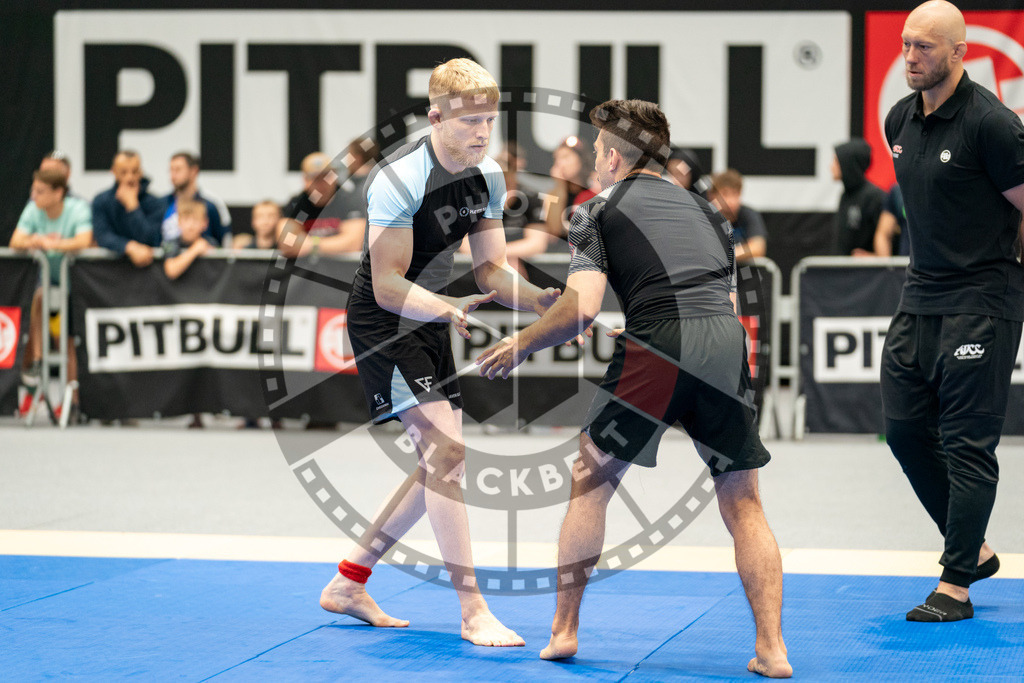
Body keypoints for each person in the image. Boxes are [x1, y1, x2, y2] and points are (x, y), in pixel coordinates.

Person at [476, 99, 791, 677]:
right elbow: (716, 300)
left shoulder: (592, 212)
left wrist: (522, 343)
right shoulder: (709, 211)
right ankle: (772, 650)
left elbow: (580, 309)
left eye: (597, 150)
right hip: (724, 341)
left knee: (590, 478)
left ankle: (563, 632)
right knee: (743, 498)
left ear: (616, 156)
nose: (595, 160)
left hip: (658, 347)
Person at [316, 58, 562, 647]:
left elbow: (491, 270)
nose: (482, 133)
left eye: (490, 120)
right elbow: (386, 285)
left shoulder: (489, 177)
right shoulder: (399, 180)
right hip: (385, 321)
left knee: (437, 464)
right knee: (448, 458)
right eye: (469, 121)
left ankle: (349, 581)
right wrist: (445, 307)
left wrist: (538, 301)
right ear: (435, 118)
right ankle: (474, 610)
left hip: (429, 318)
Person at [881, 0, 1024, 623]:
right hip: (919, 298)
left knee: (968, 445)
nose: (911, 57)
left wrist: (1002, 278)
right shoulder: (898, 120)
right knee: (906, 432)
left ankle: (956, 584)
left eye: (926, 47)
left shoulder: (992, 124)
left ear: (959, 53)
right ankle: (976, 548)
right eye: (907, 44)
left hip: (982, 302)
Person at [9, 168, 93, 418]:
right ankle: (35, 363)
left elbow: (84, 241)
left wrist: (51, 244)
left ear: (59, 193)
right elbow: (16, 241)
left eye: (40, 191)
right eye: (33, 190)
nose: (33, 195)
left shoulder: (77, 209)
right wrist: (33, 241)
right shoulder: (33, 208)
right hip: (44, 285)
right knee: (37, 299)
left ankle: (74, 403)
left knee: (67, 342)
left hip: (75, 286)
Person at [459, 143, 551, 273]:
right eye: (497, 184)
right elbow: (466, 246)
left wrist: (503, 257)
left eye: (507, 184)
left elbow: (537, 244)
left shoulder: (531, 198)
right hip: (482, 267)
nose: (504, 192)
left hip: (521, 267)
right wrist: (499, 259)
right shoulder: (477, 200)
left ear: (515, 177)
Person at [277, 150, 367, 258]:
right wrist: (334, 244)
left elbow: (353, 243)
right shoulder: (297, 203)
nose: (321, 184)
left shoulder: (349, 200)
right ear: (305, 181)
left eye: (326, 177)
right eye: (315, 178)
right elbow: (286, 241)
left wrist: (312, 245)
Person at [92, 151, 163, 267]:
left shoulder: (155, 203)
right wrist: (128, 246)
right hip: (110, 271)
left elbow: (151, 239)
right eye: (123, 172)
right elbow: (102, 235)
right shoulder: (101, 201)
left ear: (141, 172)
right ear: (114, 171)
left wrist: (133, 207)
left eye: (134, 172)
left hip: (147, 272)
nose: (130, 177)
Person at [831, 139, 885, 256]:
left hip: (868, 273)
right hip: (844, 271)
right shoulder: (845, 196)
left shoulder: (875, 197)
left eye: (836, 161)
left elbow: (889, 239)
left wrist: (874, 258)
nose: (831, 167)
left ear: (848, 163)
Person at [160, 152, 227, 246]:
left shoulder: (210, 207)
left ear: (194, 171)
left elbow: (221, 241)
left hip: (204, 259)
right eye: (171, 170)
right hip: (169, 256)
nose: (173, 175)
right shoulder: (161, 204)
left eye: (178, 170)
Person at [544, 136, 598, 248]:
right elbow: (554, 233)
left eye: (565, 157)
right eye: (556, 159)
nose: (560, 163)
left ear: (581, 160)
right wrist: (559, 187)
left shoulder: (596, 185)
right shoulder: (553, 194)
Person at [708, 169, 768, 262]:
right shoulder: (705, 217)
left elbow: (757, 248)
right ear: (713, 195)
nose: (731, 200)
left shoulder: (748, 214)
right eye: (725, 194)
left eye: (735, 193)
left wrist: (728, 254)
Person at [163, 200, 213, 281]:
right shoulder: (171, 242)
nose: (190, 225)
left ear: (205, 223)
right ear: (178, 221)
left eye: (195, 220)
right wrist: (195, 250)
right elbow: (171, 270)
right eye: (186, 219)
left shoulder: (210, 242)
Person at [872, 184, 910, 257]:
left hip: (934, 262)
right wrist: (887, 266)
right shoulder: (898, 192)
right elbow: (883, 235)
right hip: (906, 261)